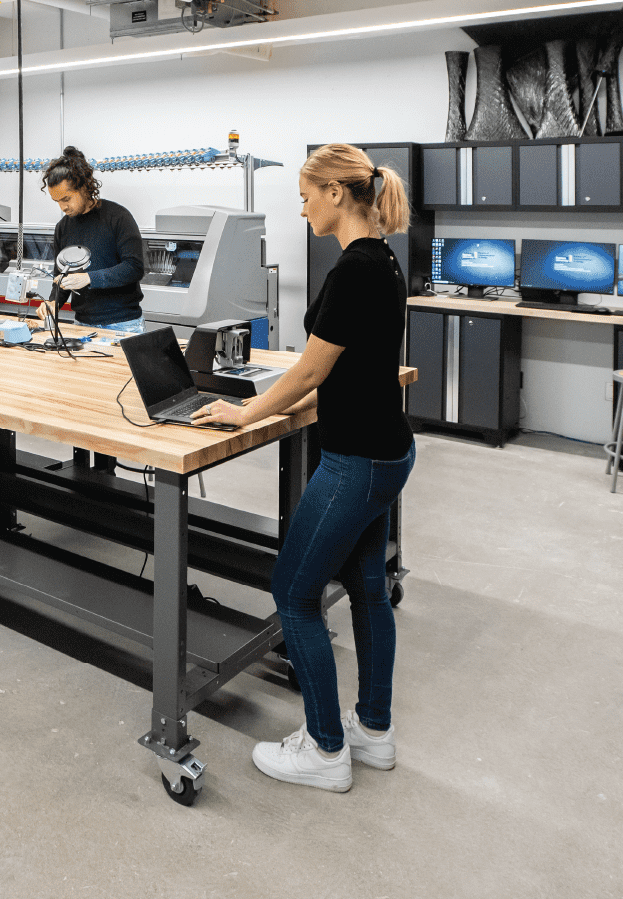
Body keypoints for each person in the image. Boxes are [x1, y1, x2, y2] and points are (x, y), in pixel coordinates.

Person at [193, 144, 414, 793]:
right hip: (385, 449)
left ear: (336, 194)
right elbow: (350, 372)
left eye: (305, 194)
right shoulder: (384, 262)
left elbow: (314, 368)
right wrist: (274, 405)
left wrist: (245, 414)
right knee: (368, 588)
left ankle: (324, 749)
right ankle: (373, 732)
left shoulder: (354, 269)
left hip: (356, 460)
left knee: (293, 590)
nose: (301, 205)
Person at [38, 146, 146, 334]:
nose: (63, 207)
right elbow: (62, 277)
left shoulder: (118, 217)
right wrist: (53, 302)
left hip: (123, 324)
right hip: (82, 325)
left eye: (66, 199)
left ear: (83, 187)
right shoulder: (63, 228)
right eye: (57, 202)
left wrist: (89, 278)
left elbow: (134, 267)